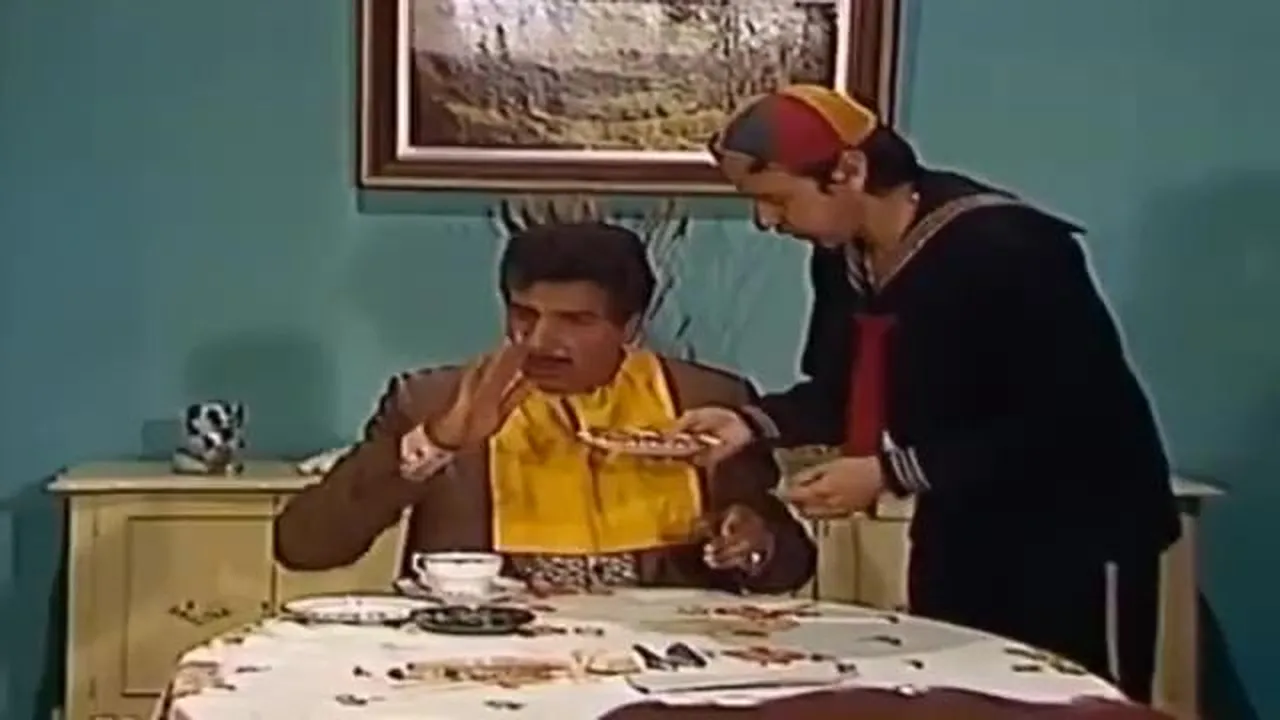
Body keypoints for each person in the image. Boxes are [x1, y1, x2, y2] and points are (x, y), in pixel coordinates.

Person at [674, 85, 1181, 702]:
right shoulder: (842, 258)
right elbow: (840, 390)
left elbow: (1062, 425)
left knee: (1066, 699)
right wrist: (750, 423)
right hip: (960, 513)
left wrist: (890, 472)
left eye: (778, 200)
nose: (766, 221)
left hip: (1079, 526)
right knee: (955, 693)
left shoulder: (1012, 250)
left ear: (849, 171)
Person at [275, 221, 815, 595]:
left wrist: (757, 544)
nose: (540, 342)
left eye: (576, 321)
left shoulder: (707, 400)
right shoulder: (434, 400)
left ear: (629, 327)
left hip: (665, 663)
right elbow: (304, 546)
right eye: (524, 315)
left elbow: (790, 564)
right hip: (483, 661)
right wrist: (439, 442)